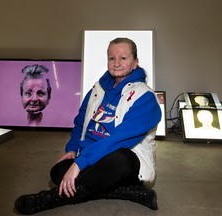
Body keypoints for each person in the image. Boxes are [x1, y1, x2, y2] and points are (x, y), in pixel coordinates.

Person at [14, 38, 162, 214]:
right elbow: (81, 121)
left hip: (123, 161)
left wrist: (79, 164)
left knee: (120, 158)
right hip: (91, 157)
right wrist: (72, 149)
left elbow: (118, 140)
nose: (116, 64)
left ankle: (50, 198)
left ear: (135, 62)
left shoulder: (145, 97)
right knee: (58, 171)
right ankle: (127, 193)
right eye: (111, 58)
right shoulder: (98, 89)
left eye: (123, 58)